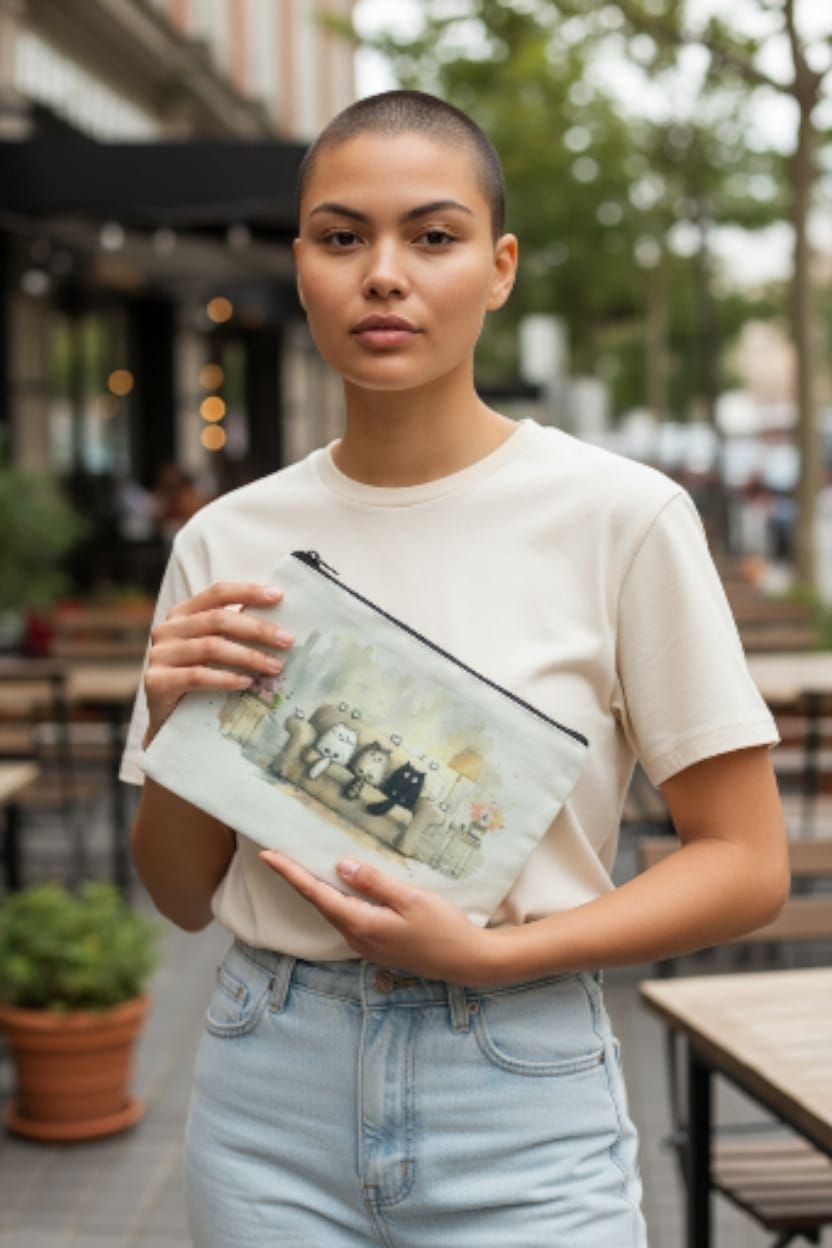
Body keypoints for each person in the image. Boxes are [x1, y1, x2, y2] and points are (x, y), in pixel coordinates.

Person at [121, 90, 789, 1247]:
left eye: (432, 236)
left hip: (519, 1084)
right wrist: (174, 717)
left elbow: (743, 863)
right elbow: (182, 898)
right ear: (303, 266)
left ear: (499, 266)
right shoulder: (224, 542)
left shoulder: (621, 518)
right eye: (343, 237)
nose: (385, 274)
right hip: (267, 1084)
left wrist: (490, 954)